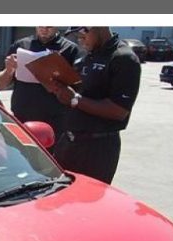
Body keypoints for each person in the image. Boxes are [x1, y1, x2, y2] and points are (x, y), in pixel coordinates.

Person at [45, 27, 141, 184]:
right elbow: (79, 93)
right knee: (58, 197)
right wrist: (61, 91)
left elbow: (119, 110)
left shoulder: (124, 58)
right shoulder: (86, 55)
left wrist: (75, 99)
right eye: (77, 37)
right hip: (68, 141)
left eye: (83, 35)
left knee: (88, 201)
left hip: (97, 148)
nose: (79, 40)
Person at [0, 26, 80, 139]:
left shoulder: (70, 49)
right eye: (41, 25)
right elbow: (1, 84)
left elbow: (77, 89)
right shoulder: (20, 45)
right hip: (22, 118)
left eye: (49, 26)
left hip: (55, 121)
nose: (44, 29)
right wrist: (8, 70)